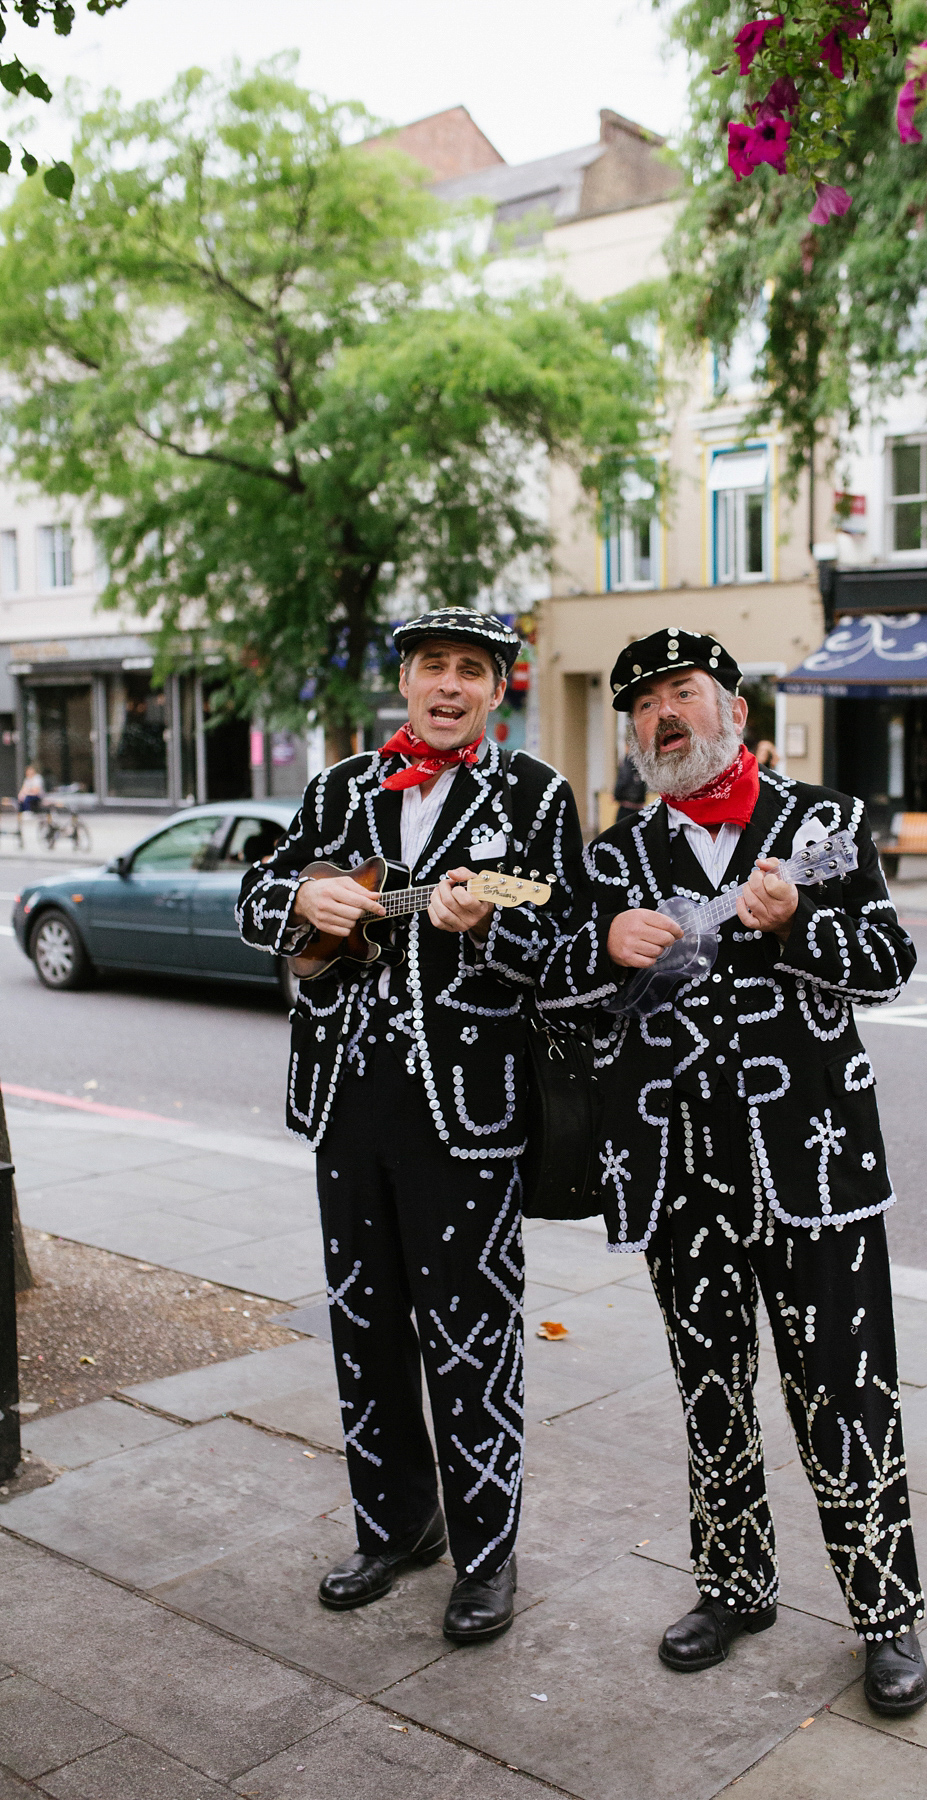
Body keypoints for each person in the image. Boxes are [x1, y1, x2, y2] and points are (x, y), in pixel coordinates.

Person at [539, 627, 927, 1717]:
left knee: (847, 1395)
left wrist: (802, 922)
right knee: (711, 1393)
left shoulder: (825, 826)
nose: (664, 715)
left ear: (735, 713)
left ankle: (885, 1617)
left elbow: (889, 968)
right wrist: (597, 947)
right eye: (645, 705)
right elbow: (558, 1004)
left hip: (815, 1175)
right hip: (676, 1178)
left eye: (684, 694)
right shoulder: (612, 855)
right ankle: (735, 1586)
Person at [236, 609, 583, 1643]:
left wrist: (493, 923)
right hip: (346, 1103)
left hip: (465, 1118)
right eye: (432, 666)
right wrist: (308, 896)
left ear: (495, 691)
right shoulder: (340, 787)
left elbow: (566, 945)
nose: (448, 685)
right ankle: (394, 1529)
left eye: (470, 670)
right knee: (364, 1328)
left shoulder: (533, 796)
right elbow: (257, 899)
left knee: (473, 1342)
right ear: (404, 680)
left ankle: (486, 1555)